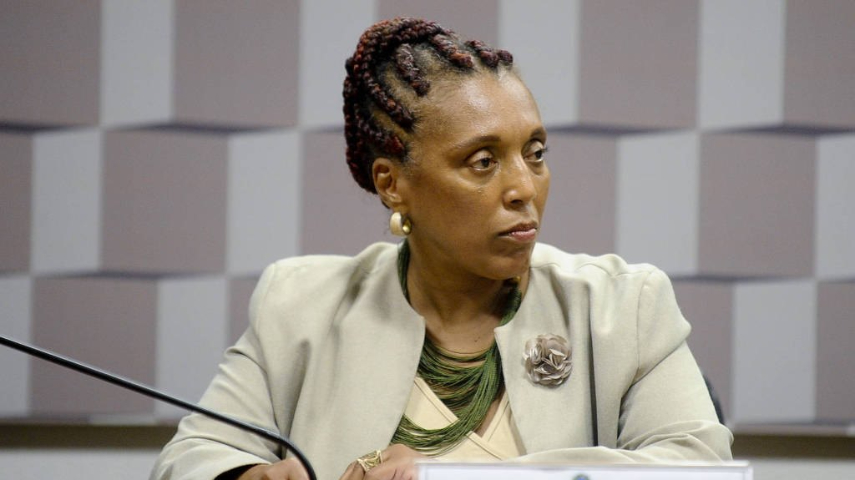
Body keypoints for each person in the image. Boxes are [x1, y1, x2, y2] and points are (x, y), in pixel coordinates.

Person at [151, 17, 732, 480]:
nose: (524, 188)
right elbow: (192, 457)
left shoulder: (623, 309)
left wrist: (447, 476)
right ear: (392, 183)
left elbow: (698, 468)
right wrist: (248, 475)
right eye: (482, 161)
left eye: (535, 153)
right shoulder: (299, 305)